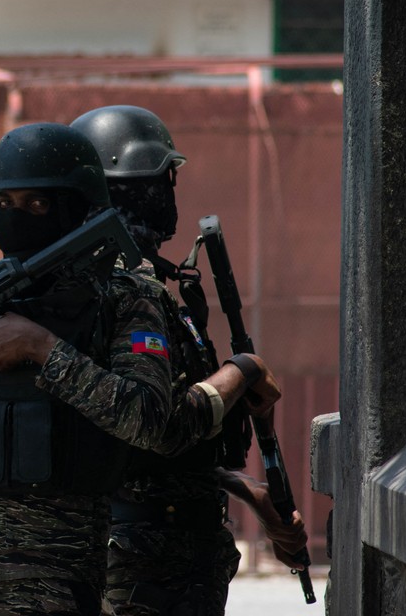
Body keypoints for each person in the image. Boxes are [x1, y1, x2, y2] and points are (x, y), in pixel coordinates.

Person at [0, 121, 281, 616]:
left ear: (76, 208)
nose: (18, 216)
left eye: (37, 203)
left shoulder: (123, 298)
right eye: (5, 203)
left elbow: (151, 421)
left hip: (49, 579)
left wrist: (43, 349)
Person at [70, 105, 309, 616]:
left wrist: (248, 491)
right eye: (162, 181)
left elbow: (144, 452)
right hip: (141, 568)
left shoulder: (139, 283)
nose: (169, 194)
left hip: (167, 558)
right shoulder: (117, 291)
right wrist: (243, 371)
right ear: (132, 191)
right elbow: (157, 427)